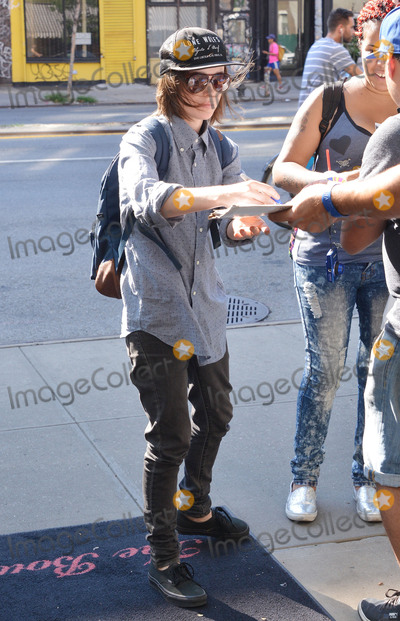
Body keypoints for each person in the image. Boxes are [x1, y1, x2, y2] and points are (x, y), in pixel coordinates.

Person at [118, 27, 279, 608]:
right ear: (170, 84)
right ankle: (164, 558)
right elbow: (147, 198)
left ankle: (196, 509)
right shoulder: (144, 139)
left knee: (216, 413)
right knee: (170, 437)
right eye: (196, 82)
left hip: (205, 311)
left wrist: (238, 222)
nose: (210, 92)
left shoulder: (219, 144)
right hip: (158, 315)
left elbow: (223, 219)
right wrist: (218, 198)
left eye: (218, 81)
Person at [271, 9, 400, 618]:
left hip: (386, 267)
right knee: (323, 373)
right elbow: (282, 171)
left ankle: (367, 480)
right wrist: (339, 182)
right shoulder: (329, 99)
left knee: (378, 382)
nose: (376, 67)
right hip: (325, 260)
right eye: (368, 55)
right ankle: (304, 478)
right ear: (357, 48)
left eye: (385, 56)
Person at [298, 8, 362, 107]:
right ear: (341, 28)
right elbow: (361, 78)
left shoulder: (316, 45)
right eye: (352, 27)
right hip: (317, 114)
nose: (354, 32)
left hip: (305, 110)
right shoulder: (335, 49)